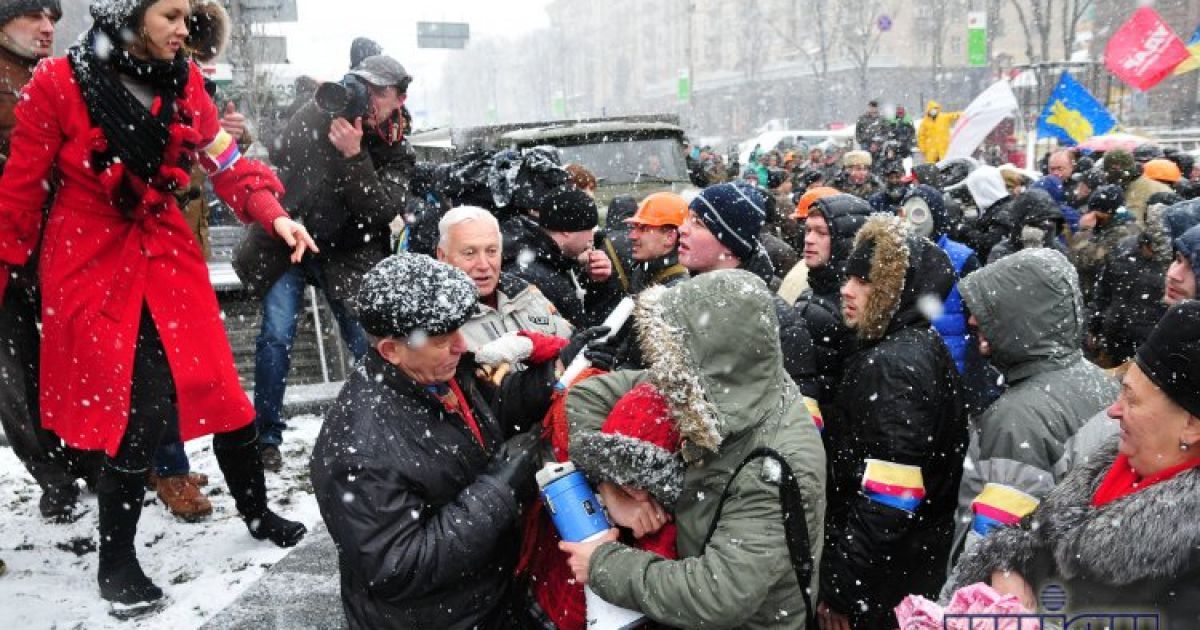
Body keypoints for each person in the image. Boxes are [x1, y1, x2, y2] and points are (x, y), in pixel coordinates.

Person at [0, 0, 314, 612]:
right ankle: (116, 563)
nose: (185, 28)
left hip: (167, 255)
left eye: (189, 14)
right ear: (127, 13)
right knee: (135, 412)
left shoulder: (187, 80)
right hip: (88, 262)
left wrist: (273, 215)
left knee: (226, 393)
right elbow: (19, 194)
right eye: (171, 15)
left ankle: (256, 511)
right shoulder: (56, 83)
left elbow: (227, 164)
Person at [561, 269, 827, 629]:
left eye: (678, 362)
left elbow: (720, 594)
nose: (669, 379)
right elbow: (586, 396)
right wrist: (614, 485)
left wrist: (602, 565)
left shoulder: (776, 462)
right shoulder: (714, 385)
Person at [311, 254, 557, 629]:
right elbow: (400, 568)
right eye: (443, 339)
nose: (461, 345)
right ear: (390, 350)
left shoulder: (428, 371)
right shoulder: (360, 448)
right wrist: (499, 490)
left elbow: (494, 409)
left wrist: (555, 372)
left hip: (486, 598)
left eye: (458, 330)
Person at [950, 301, 1200, 627]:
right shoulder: (1105, 466)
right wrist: (1005, 569)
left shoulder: (1188, 553)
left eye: (1133, 399)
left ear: (1191, 425)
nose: (1113, 411)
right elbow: (1023, 539)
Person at [251, 53, 416, 471]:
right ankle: (265, 438)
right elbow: (281, 148)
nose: (371, 98)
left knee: (367, 342)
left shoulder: (397, 149)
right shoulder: (324, 112)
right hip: (291, 239)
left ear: (400, 98)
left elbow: (380, 211)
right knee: (275, 337)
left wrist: (354, 155)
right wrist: (317, 104)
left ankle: (381, 427)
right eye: (365, 87)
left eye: (381, 92)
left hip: (347, 251)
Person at [819, 215, 966, 630]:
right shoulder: (907, 345)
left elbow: (889, 497)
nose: (846, 289)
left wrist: (843, 590)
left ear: (892, 292)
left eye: (864, 281)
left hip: (883, 587)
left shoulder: (895, 364)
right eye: (848, 276)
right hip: (901, 572)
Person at [950, 249, 1118, 572]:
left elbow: (989, 552)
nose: (973, 321)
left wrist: (953, 602)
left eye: (990, 310)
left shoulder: (1017, 421)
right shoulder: (1097, 381)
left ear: (1021, 318)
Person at [0, 0, 99, 524]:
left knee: (79, 354)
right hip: (6, 247)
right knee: (13, 372)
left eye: (53, 18)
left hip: (61, 244)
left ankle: (88, 455)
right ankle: (52, 474)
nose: (46, 28)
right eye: (33, 16)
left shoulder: (67, 76)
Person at [678, 182, 819, 397]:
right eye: (688, 219)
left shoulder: (777, 321)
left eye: (698, 223)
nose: (682, 229)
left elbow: (796, 414)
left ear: (730, 243)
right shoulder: (681, 299)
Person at [434, 205, 572, 352]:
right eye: (469, 253)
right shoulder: (436, 319)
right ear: (442, 256)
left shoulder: (525, 292)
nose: (483, 264)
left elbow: (575, 347)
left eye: (491, 251)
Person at [504, 185, 621, 329]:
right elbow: (579, 329)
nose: (592, 237)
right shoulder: (536, 275)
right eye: (589, 229)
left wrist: (595, 280)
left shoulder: (552, 260)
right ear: (567, 230)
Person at [793, 193, 872, 404]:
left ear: (844, 242)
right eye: (808, 230)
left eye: (821, 233)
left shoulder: (831, 307)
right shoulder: (817, 294)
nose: (809, 239)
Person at [1087, 202, 1175, 366]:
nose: (1152, 253)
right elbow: (1103, 291)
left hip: (1147, 348)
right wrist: (1094, 325)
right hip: (1113, 337)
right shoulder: (1124, 249)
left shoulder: (1172, 263)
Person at [1068, 184, 1138, 305]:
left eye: (1096, 213)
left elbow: (1086, 260)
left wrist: (1084, 231)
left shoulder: (1123, 232)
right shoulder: (1110, 227)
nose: (1092, 217)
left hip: (1105, 299)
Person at [625, 191, 689, 293]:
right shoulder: (643, 269)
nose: (632, 236)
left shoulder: (679, 289)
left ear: (669, 237)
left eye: (643, 229)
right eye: (633, 227)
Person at [985, 189, 1067, 264]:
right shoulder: (1002, 252)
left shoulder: (1059, 252)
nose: (1047, 225)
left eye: (1051, 221)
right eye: (1035, 224)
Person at [956, 165, 1016, 262]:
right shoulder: (1000, 206)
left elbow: (989, 242)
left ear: (983, 189)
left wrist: (964, 230)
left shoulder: (1003, 212)